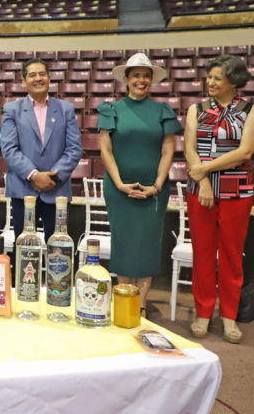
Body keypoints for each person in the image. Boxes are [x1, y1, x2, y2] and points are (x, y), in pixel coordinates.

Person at [185, 55, 254, 344]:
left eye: (217, 78)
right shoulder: (196, 109)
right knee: (202, 253)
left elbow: (244, 153)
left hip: (237, 192)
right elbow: (190, 148)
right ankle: (203, 312)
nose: (210, 82)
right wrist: (202, 180)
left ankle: (229, 315)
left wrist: (204, 168)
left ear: (233, 81)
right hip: (200, 192)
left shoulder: (250, 111)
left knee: (231, 254)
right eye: (209, 77)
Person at [98, 52, 182, 317]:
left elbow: (168, 150)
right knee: (123, 243)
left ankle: (141, 307)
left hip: (154, 191)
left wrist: (157, 185)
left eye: (146, 76)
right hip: (119, 190)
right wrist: (120, 183)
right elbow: (105, 150)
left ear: (151, 80)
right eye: (136, 75)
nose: (141, 80)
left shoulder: (162, 110)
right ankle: (124, 301)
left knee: (147, 244)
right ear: (126, 78)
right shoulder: (111, 108)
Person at [1, 58, 82, 246]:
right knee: (24, 250)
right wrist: (34, 175)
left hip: (57, 190)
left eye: (42, 74)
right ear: (23, 81)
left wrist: (52, 178)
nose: (37, 78)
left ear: (49, 78)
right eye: (32, 75)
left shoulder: (65, 109)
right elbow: (9, 149)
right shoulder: (12, 110)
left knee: (58, 249)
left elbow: (74, 148)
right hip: (23, 190)